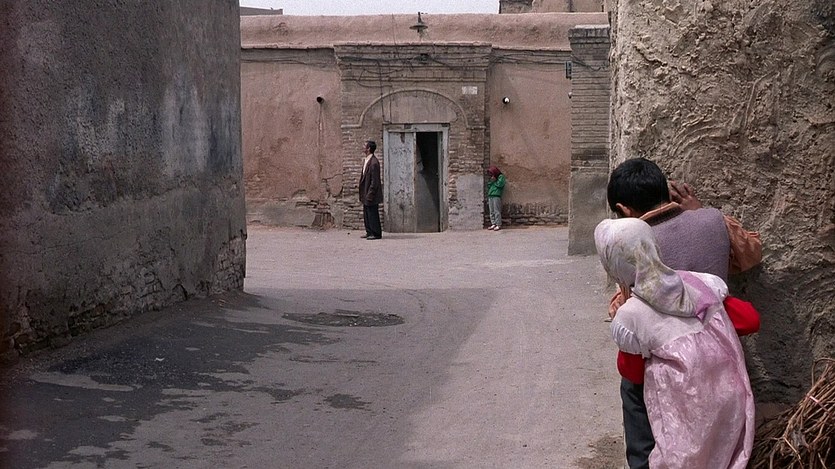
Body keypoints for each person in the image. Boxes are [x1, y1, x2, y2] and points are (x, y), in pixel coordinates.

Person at [606, 157, 762, 469]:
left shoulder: (636, 250)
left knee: (632, 388)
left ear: (624, 210)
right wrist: (702, 215)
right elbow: (752, 253)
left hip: (670, 366)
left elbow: (625, 310)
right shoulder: (713, 221)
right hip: (722, 350)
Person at [359, 140, 383, 240]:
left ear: (368, 149)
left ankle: (376, 233)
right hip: (365, 192)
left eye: (365, 145)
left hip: (371, 193)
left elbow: (375, 181)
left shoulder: (374, 163)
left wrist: (370, 194)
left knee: (373, 213)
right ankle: (369, 232)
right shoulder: (366, 161)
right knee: (367, 213)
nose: (363, 147)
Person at [486, 165, 506, 231]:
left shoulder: (501, 177)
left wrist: (494, 181)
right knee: (491, 211)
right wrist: (492, 181)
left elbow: (500, 184)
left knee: (496, 210)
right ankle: (493, 223)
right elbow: (489, 185)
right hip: (491, 195)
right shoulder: (492, 178)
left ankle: (498, 224)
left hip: (496, 195)